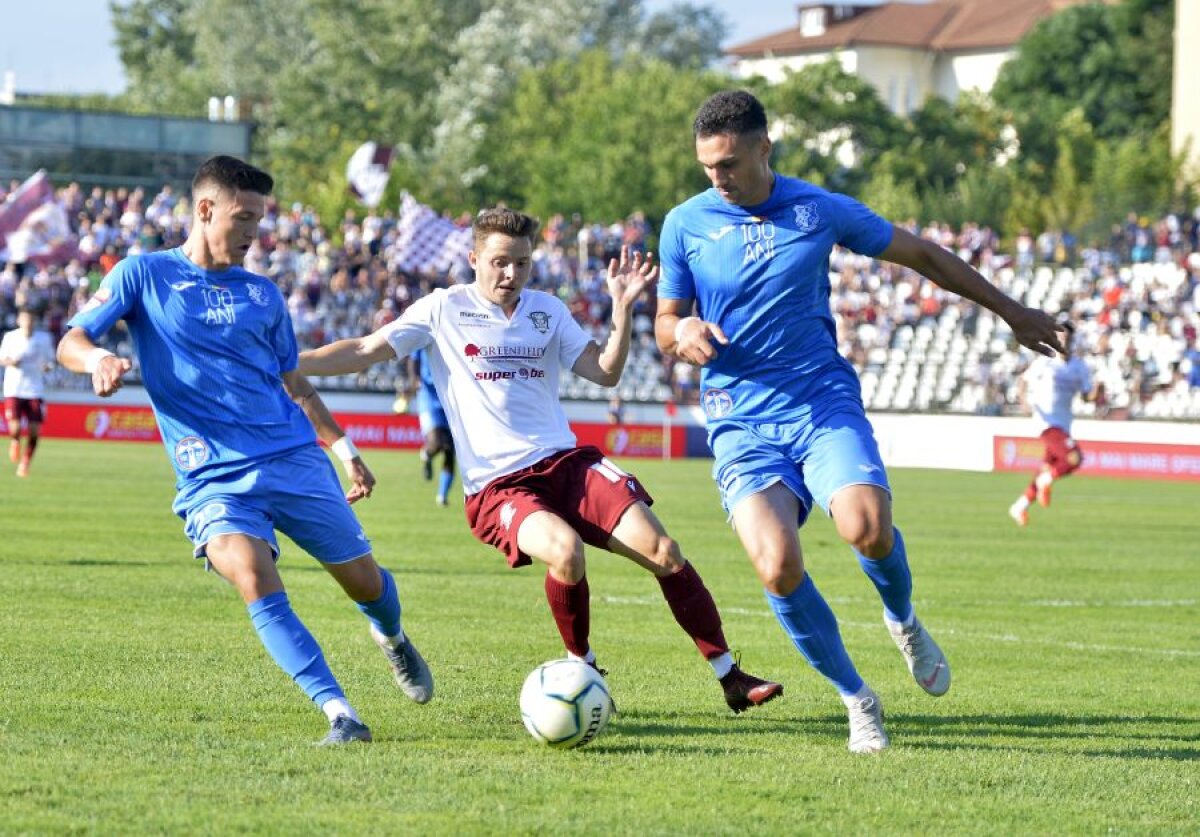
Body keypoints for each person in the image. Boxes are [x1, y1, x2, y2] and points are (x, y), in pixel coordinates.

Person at [653, 91, 1066, 753]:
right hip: (741, 421)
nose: (717, 178)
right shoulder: (684, 224)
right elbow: (665, 320)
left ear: (764, 147)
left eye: (728, 163)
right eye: (707, 167)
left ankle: (902, 620)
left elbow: (925, 255)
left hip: (820, 402)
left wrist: (1012, 311)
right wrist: (683, 332)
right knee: (777, 563)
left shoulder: (819, 209)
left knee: (867, 529)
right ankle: (857, 698)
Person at [299, 207, 783, 713]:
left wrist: (620, 310)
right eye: (500, 263)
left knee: (663, 550)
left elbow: (604, 373)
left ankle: (730, 676)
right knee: (565, 551)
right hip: (498, 486)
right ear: (474, 259)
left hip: (566, 463)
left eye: (522, 264)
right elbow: (364, 349)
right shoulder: (442, 309)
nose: (511, 274)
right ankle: (583, 670)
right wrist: (291, 362)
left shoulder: (547, 311)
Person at [56, 155, 432, 746]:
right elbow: (71, 340)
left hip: (292, 458)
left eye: (260, 220)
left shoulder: (263, 295)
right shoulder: (142, 275)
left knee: (363, 582)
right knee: (253, 575)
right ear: (205, 210)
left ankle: (392, 637)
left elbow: (295, 383)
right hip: (211, 477)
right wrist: (98, 358)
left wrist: (344, 448)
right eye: (245, 218)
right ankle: (340, 713)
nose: (256, 234)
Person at [1009, 323, 1097, 526]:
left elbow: (1087, 397)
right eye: (1060, 337)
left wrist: (1097, 393)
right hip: (1046, 421)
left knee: (1047, 467)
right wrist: (1024, 402)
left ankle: (1020, 505)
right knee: (1073, 458)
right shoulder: (1045, 362)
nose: (1064, 340)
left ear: (1073, 340)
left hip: (1064, 424)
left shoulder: (1079, 367)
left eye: (1067, 337)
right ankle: (1044, 482)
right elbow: (1023, 380)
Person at [1, 308, 56, 477]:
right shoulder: (11, 337)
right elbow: (2, 358)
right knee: (15, 427)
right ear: (19, 321)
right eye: (25, 319)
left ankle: (25, 462)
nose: (28, 323)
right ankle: (15, 441)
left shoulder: (44, 339)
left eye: (31, 319)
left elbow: (52, 360)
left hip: (34, 389)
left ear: (35, 321)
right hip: (14, 388)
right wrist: (11, 361)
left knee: (34, 430)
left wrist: (47, 367)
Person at [407, 347, 456, 506]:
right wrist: (414, 378)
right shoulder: (427, 331)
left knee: (449, 449)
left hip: (450, 396)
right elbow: (413, 358)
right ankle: (427, 454)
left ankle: (442, 495)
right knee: (436, 442)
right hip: (428, 395)